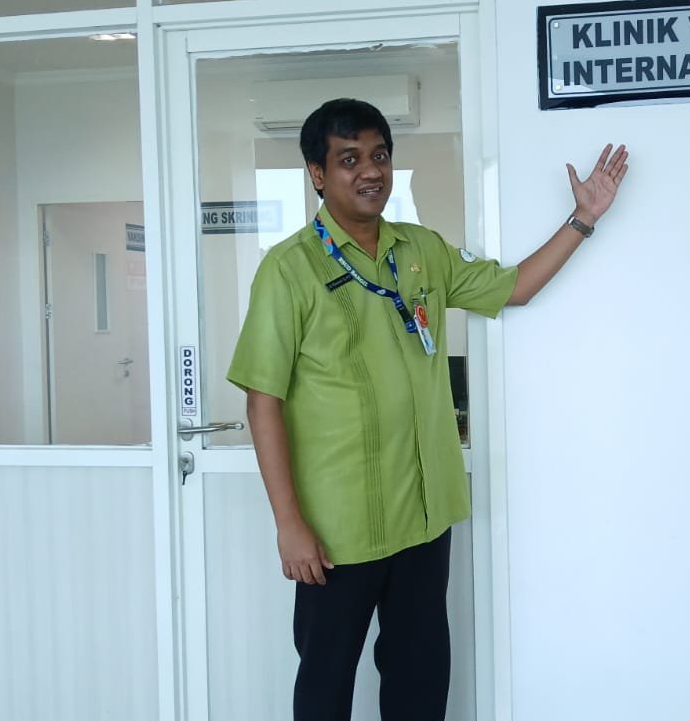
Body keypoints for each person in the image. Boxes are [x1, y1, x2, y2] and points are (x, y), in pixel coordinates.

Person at [226, 97, 629, 721]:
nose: (370, 171)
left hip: (422, 516)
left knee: (420, 676)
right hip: (337, 529)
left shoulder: (420, 250)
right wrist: (289, 524)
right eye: (349, 159)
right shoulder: (288, 270)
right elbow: (263, 401)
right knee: (326, 680)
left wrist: (582, 219)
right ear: (317, 173)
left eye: (380, 156)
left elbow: (514, 287)